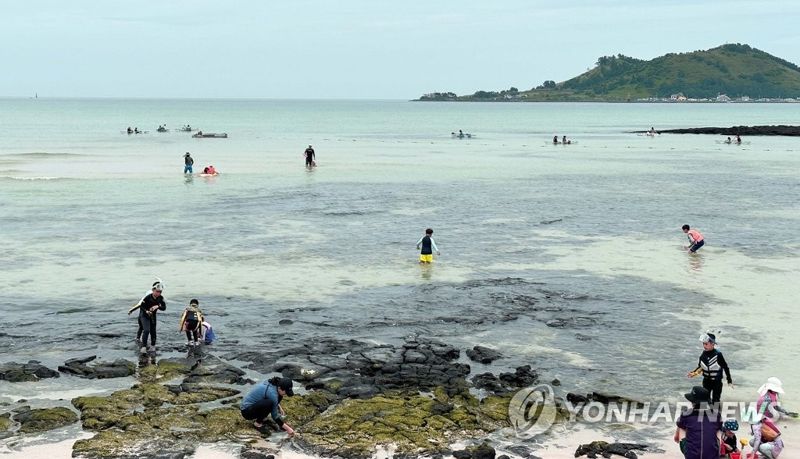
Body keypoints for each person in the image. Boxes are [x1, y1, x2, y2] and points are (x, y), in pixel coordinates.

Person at [673, 386, 722, 459]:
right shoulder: (716, 415)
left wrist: (676, 437)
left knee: (681, 427)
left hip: (692, 456)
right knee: (718, 429)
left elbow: (680, 425)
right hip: (712, 456)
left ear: (693, 402)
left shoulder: (686, 415)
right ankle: (717, 450)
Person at [688, 332, 733, 405]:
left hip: (717, 382)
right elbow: (701, 367)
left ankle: (716, 415)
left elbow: (726, 367)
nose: (704, 346)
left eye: (706, 344)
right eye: (703, 344)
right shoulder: (703, 354)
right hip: (706, 381)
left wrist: (729, 380)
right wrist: (694, 373)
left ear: (713, 344)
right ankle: (704, 415)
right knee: (705, 400)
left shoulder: (718, 355)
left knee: (716, 400)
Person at [132, 281, 166, 354]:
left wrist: (158, 306)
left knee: (153, 331)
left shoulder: (160, 298)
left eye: (160, 292)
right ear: (153, 290)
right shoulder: (148, 297)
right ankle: (144, 347)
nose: (158, 293)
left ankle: (153, 346)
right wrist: (147, 311)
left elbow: (164, 307)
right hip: (144, 315)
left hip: (153, 316)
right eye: (157, 291)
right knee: (146, 330)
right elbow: (142, 306)